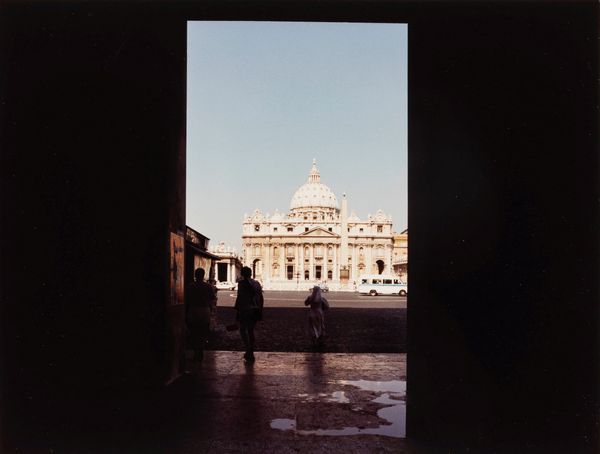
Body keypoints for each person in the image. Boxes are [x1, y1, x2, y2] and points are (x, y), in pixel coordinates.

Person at [186, 268, 217, 362]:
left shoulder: (190, 286)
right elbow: (212, 298)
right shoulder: (208, 286)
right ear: (203, 275)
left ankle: (196, 352)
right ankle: (200, 351)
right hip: (205, 310)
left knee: (194, 331)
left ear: (195, 275)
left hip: (193, 309)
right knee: (203, 332)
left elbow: (187, 299)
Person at [234, 266, 264, 362]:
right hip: (255, 309)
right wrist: (260, 309)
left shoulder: (241, 284)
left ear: (242, 274)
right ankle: (250, 350)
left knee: (243, 330)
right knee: (251, 331)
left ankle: (248, 350)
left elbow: (240, 297)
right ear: (251, 273)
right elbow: (261, 297)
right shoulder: (257, 283)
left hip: (245, 310)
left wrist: (237, 310)